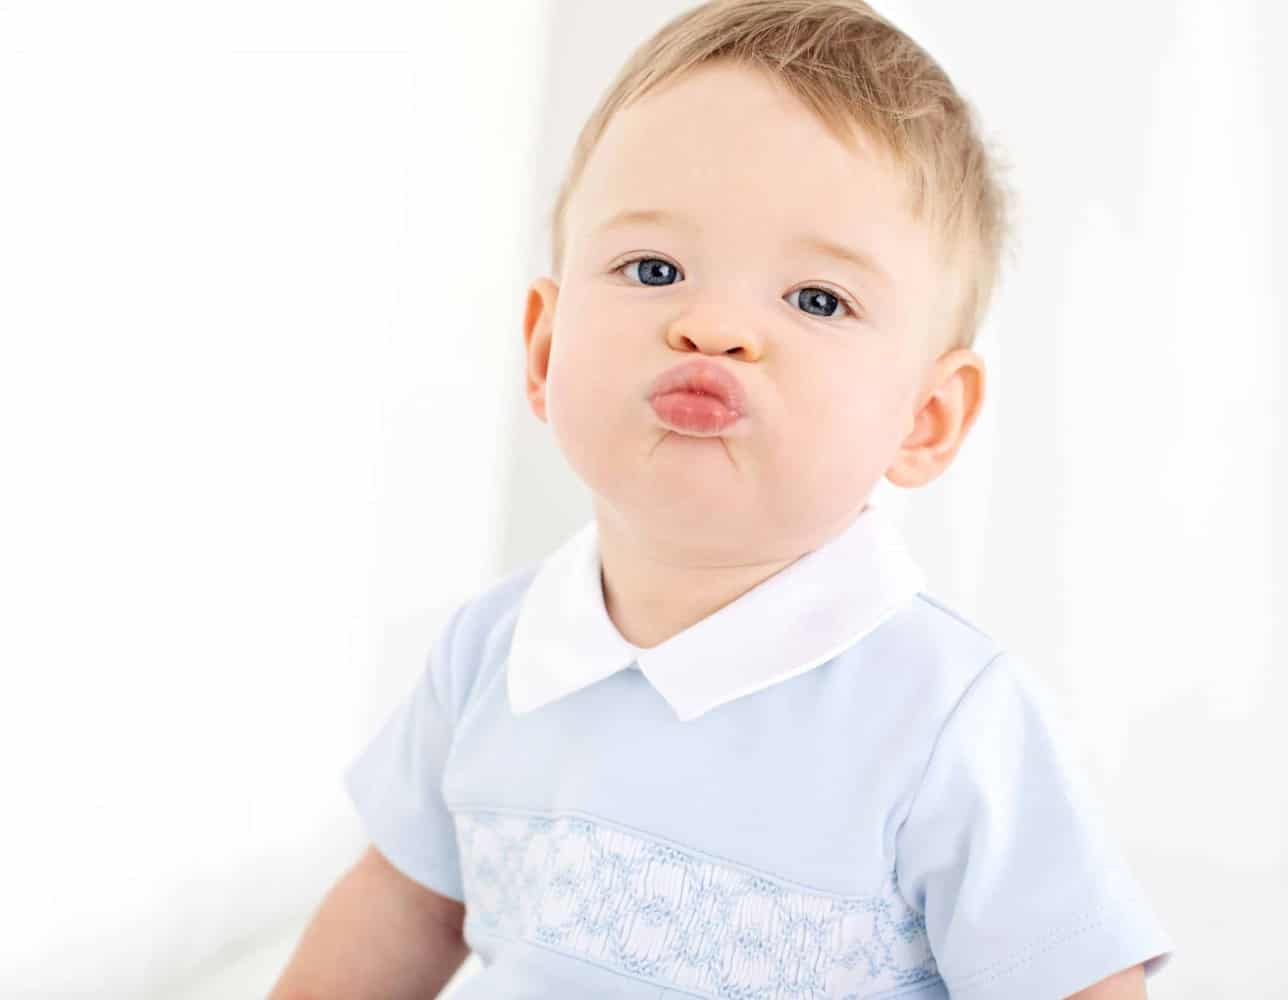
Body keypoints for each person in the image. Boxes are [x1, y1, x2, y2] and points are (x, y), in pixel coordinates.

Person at [272, 1, 1174, 996]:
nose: (713, 326)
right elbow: (402, 905)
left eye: (817, 298)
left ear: (925, 418)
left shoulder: (948, 720)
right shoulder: (490, 655)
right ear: (544, 346)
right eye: (653, 269)